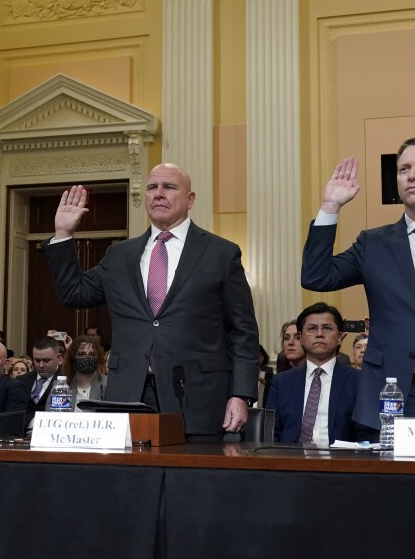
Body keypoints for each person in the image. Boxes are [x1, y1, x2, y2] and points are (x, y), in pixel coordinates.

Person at [43, 164, 260, 440]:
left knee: (191, 480)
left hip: (197, 399)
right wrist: (63, 235)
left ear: (190, 199)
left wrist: (240, 394)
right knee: (130, 481)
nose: (158, 194)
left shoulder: (221, 253)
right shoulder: (120, 255)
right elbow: (74, 292)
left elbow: (243, 331)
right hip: (128, 396)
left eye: (168, 187)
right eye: (151, 188)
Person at [302, 136, 415, 428]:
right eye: (404, 169)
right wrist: (330, 207)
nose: (411, 175)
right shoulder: (373, 243)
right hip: (390, 394)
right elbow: (317, 276)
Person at [267, 303, 365, 445]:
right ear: (301, 338)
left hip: (342, 461)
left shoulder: (358, 381)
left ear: (339, 337)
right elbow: (271, 434)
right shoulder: (281, 382)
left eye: (327, 328)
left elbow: (365, 437)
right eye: (312, 328)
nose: (319, 334)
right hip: (291, 461)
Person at [17, 336, 64, 413]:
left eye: (46, 360)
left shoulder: (69, 383)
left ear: (59, 358)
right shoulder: (21, 381)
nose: (41, 365)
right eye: (37, 360)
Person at [63, 335, 107, 411]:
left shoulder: (107, 385)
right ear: (73, 358)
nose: (87, 358)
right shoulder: (62, 386)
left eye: (92, 354)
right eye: (81, 354)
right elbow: (51, 414)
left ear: (98, 358)